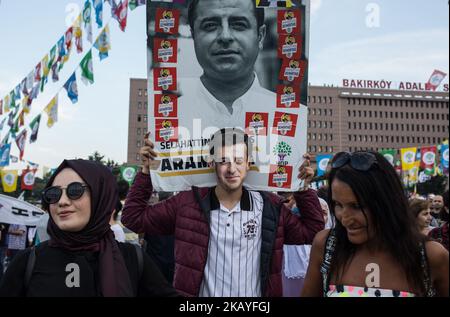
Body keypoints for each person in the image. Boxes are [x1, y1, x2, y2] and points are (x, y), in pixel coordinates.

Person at [122, 128, 324, 297]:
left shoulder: (269, 206)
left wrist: (303, 189)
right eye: (224, 161)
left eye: (238, 160)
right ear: (212, 163)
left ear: (248, 163)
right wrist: (147, 172)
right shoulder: (187, 203)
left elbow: (312, 231)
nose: (231, 168)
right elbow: (133, 218)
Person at [0, 160, 179, 297]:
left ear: (101, 196)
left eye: (75, 190)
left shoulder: (133, 258)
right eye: (53, 194)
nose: (62, 201)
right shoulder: (28, 261)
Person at [301, 151, 449, 297]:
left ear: (387, 203)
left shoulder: (430, 256)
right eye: (337, 204)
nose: (345, 218)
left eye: (357, 206)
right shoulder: (326, 246)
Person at [282, 197, 333, 297]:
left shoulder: (333, 244)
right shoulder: (291, 246)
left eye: (323, 212)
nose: (320, 217)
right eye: (316, 213)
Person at [144, 192, 176, 285]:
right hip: (172, 263)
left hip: (154, 263)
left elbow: (145, 239)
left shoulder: (151, 215)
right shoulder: (177, 216)